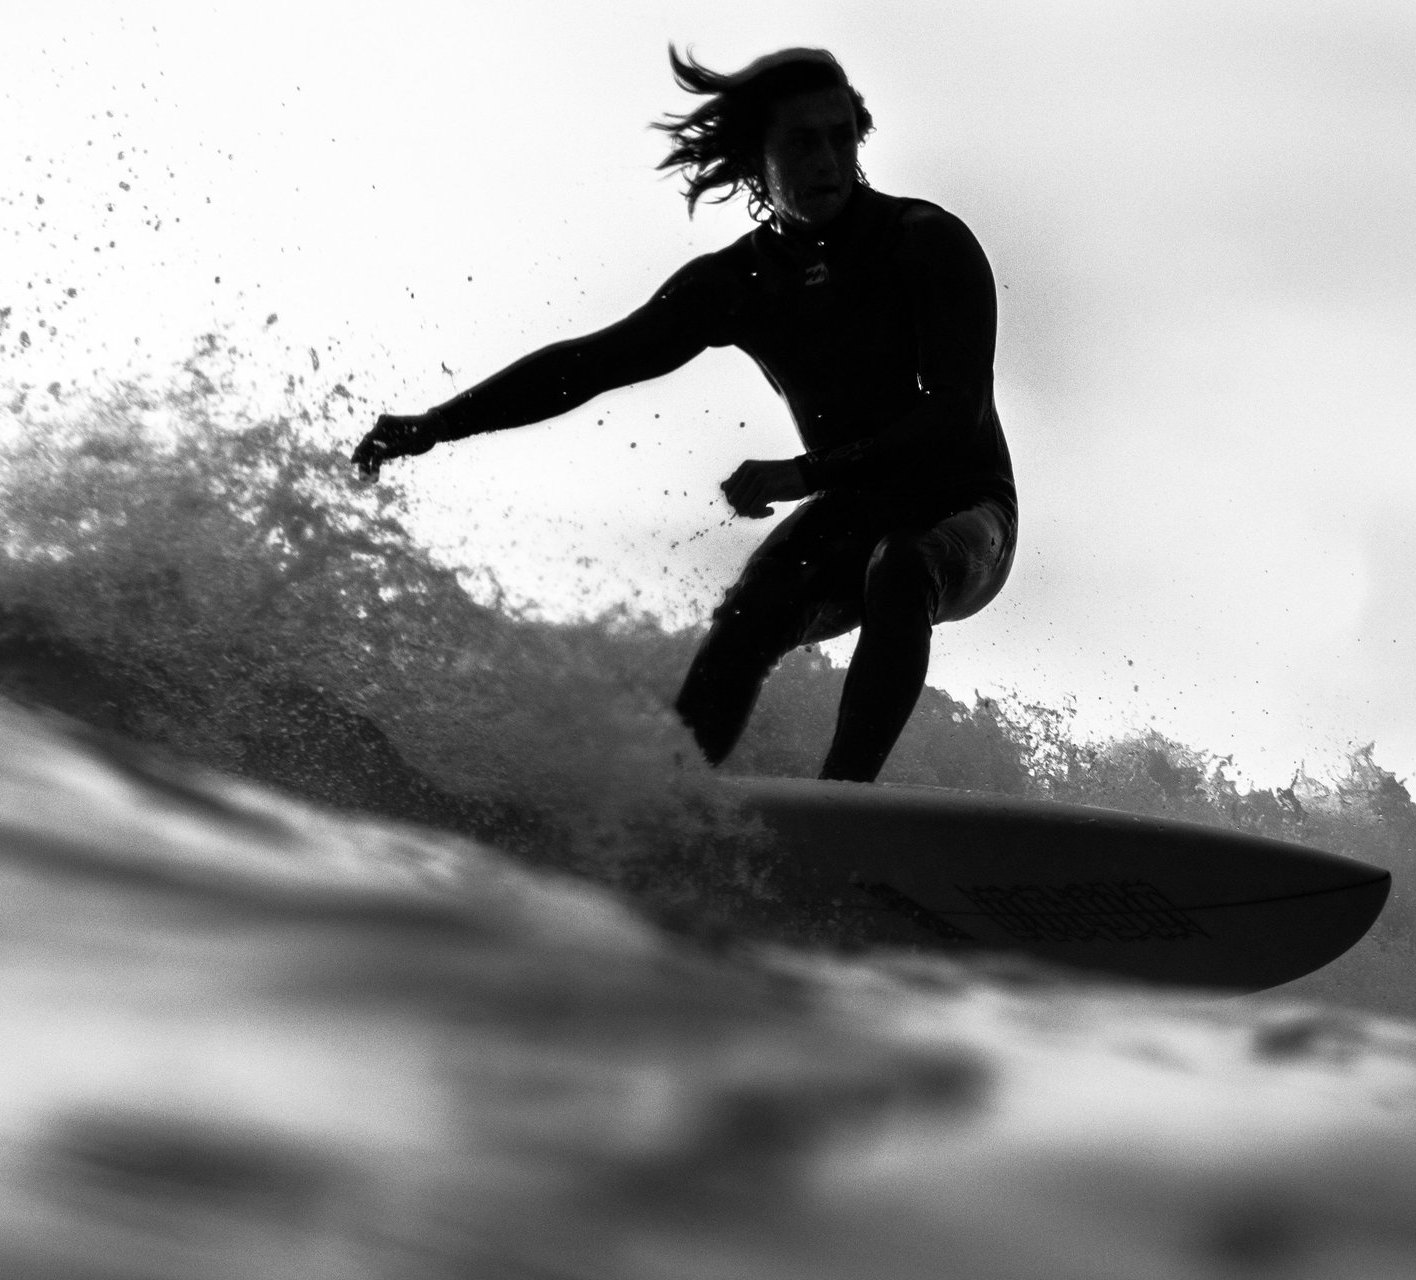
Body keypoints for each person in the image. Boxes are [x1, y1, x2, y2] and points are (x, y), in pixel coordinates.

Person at [351, 46, 1016, 783]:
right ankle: (670, 814)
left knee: (902, 568)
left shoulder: (924, 241)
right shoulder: (741, 283)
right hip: (851, 508)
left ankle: (843, 808)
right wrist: (439, 424)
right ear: (756, 159)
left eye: (841, 136)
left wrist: (806, 472)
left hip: (961, 510)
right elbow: (591, 365)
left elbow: (953, 416)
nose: (829, 159)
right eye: (802, 141)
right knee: (748, 616)